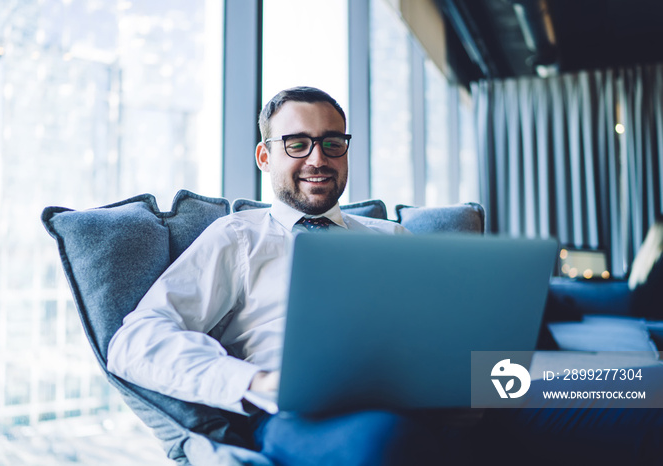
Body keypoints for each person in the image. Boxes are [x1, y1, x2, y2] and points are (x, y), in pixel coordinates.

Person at [108, 86, 663, 465]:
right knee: (388, 442)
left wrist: (477, 360)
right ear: (264, 156)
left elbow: (447, 331)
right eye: (297, 144)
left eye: (332, 142)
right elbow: (135, 339)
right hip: (316, 413)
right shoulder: (238, 237)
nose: (317, 158)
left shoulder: (390, 239)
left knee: (639, 388)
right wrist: (251, 382)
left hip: (462, 392)